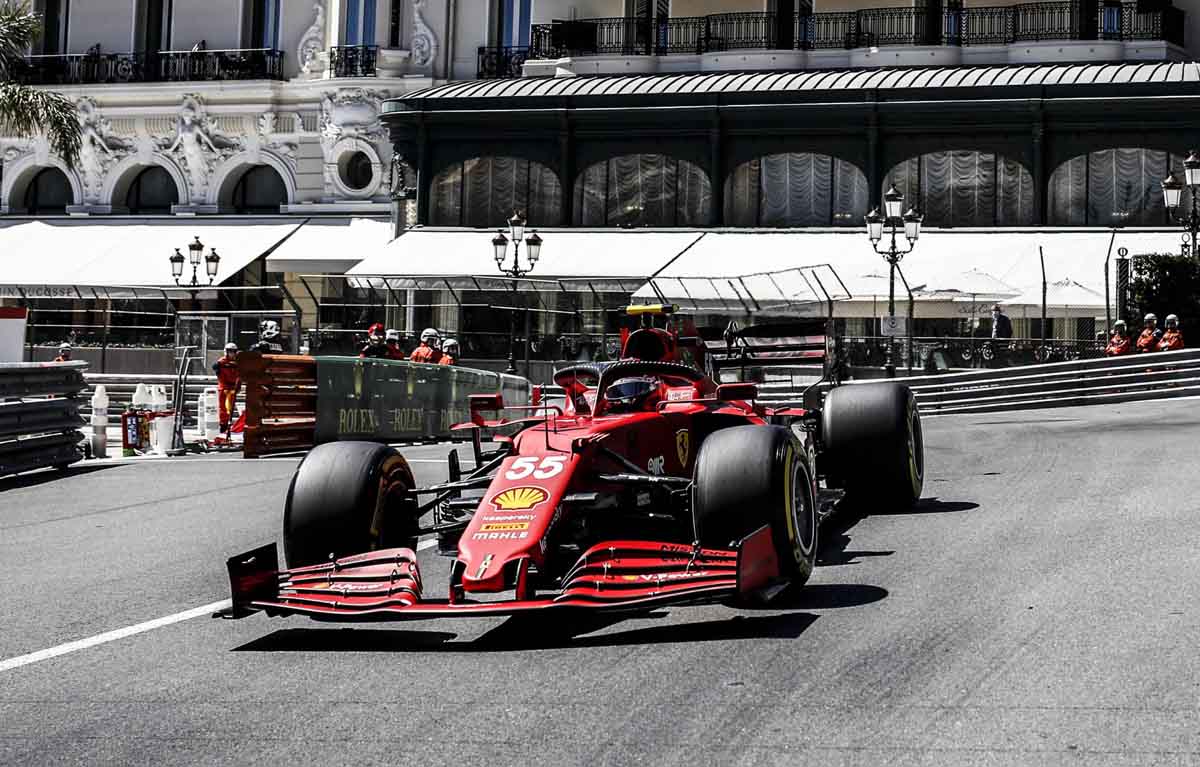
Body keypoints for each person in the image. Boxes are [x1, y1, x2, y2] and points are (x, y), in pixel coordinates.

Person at [212, 342, 240, 434]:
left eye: (233, 352)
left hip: (233, 387)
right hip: (224, 388)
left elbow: (240, 375)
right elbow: (219, 375)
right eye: (230, 351)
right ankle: (223, 424)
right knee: (223, 407)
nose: (232, 354)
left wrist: (237, 387)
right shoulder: (221, 362)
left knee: (230, 407)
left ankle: (229, 422)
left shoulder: (239, 362)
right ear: (226, 352)